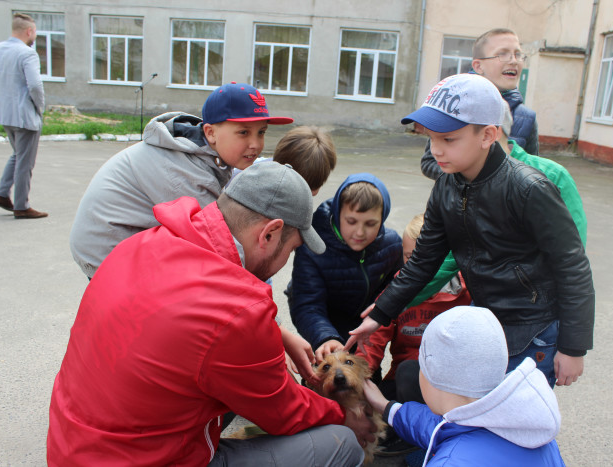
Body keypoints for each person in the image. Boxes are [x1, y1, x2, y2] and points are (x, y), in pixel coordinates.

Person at [47, 162, 376, 466]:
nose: (287, 259)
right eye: (291, 249)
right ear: (270, 233)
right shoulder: (236, 310)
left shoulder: (140, 244)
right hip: (147, 459)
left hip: (75, 447)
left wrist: (277, 335)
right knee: (341, 443)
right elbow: (284, 410)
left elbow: (184, 325)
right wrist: (345, 414)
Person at [346, 74, 595, 389]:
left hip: (535, 328)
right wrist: (382, 312)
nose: (435, 150)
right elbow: (424, 260)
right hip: (487, 321)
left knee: (513, 419)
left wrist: (573, 347)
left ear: (488, 135)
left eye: (448, 139)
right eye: (431, 138)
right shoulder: (446, 186)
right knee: (475, 404)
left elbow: (573, 267)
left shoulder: (529, 189)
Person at [69, 82, 293, 279]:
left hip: (130, 240)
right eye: (244, 133)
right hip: (107, 251)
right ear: (211, 132)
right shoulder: (184, 171)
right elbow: (218, 243)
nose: (256, 143)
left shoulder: (201, 151)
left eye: (261, 132)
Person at [363, 306, 566, 467]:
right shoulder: (531, 428)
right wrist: (386, 407)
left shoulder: (448, 462)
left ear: (431, 372)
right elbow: (440, 429)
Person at [357, 213, 472, 457]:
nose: (413, 267)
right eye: (408, 258)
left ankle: (418, 438)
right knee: (367, 398)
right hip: (401, 385)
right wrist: (360, 376)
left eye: (419, 259)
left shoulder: (465, 293)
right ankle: (405, 433)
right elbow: (374, 339)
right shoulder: (400, 286)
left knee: (413, 371)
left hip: (447, 391)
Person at [287, 173, 402, 361]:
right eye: (351, 221)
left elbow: (396, 287)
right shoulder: (315, 247)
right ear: (338, 213)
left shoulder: (392, 245)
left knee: (367, 379)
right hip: (324, 326)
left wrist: (382, 309)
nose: (360, 232)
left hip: (369, 331)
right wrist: (325, 337)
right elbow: (307, 304)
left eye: (371, 224)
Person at [421, 27, 538, 180]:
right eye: (502, 54)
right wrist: (468, 177)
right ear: (478, 66)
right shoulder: (453, 106)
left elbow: (533, 170)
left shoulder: (526, 118)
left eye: (518, 54)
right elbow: (429, 163)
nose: (513, 61)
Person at [498, 100, 587, 245]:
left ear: (491, 133)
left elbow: (571, 249)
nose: (446, 150)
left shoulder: (552, 176)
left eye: (451, 139)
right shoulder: (457, 175)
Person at [0, 13, 47, 219]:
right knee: (25, 161)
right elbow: (35, 85)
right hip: (24, 116)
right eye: (35, 33)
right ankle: (22, 206)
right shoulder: (27, 53)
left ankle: (2, 194)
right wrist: (40, 108)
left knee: (17, 155)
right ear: (29, 31)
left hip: (3, 114)